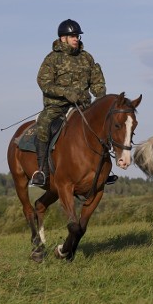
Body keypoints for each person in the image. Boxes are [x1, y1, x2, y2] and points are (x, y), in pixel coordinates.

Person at [30, 19, 106, 187]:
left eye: (77, 36)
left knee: (103, 125)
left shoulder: (86, 57)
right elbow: (44, 83)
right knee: (43, 124)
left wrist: (100, 96)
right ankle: (41, 170)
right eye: (72, 36)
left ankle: (104, 170)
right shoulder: (52, 59)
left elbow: (97, 80)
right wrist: (66, 93)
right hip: (57, 106)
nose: (76, 38)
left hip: (84, 106)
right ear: (63, 38)